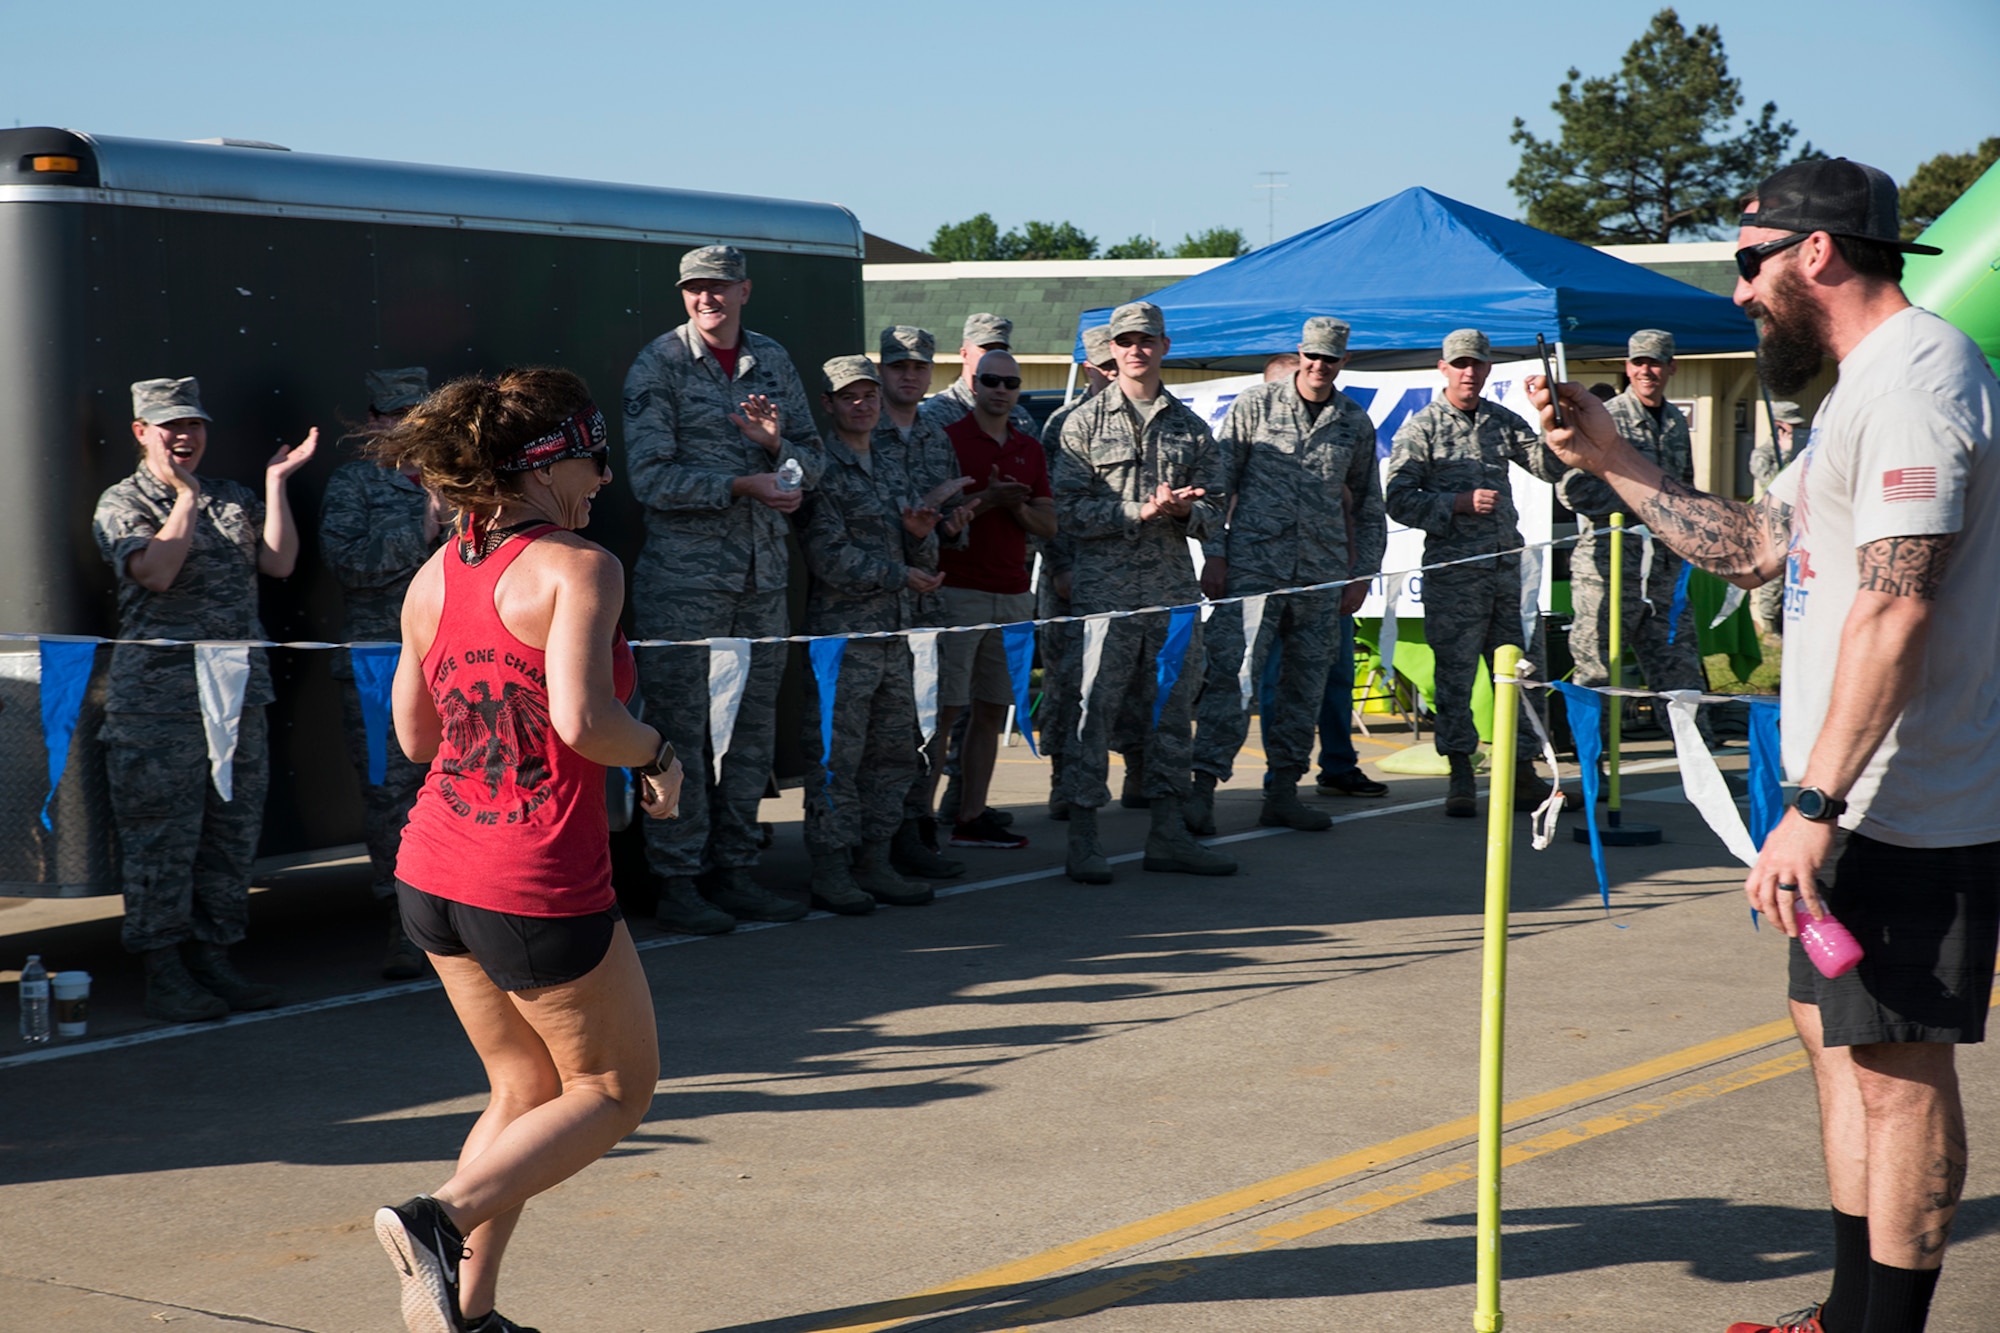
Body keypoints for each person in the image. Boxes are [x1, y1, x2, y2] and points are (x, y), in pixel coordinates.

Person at [1529, 157, 1995, 1333]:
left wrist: (1814, 804)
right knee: (1835, 1051)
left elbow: (1899, 603)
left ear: (1816, 254)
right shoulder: (1855, 390)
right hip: (1846, 795)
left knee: (1893, 1076)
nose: (1736, 293)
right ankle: (1844, 1317)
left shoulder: (1919, 380)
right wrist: (1615, 459)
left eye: (1748, 263)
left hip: (1904, 799)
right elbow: (1758, 546)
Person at [371, 368, 681, 1333]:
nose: (604, 482)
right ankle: (438, 1218)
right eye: (595, 459)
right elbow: (590, 720)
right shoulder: (580, 567)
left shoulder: (434, 578)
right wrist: (660, 753)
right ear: (549, 463)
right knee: (614, 1089)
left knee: (524, 1087)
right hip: (531, 873)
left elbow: (415, 739)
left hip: (432, 866)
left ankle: (460, 1313)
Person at [92, 377, 315, 1023]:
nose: (185, 436)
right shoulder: (124, 501)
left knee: (229, 832)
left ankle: (214, 958)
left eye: (194, 425)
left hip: (237, 695)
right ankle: (165, 970)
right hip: (158, 703)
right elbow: (156, 572)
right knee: (162, 839)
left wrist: (275, 485)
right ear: (141, 432)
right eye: (170, 426)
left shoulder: (233, 497)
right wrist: (184, 499)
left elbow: (278, 563)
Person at [623, 244, 824, 935]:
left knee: (749, 736)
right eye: (694, 289)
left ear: (745, 290)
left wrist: (776, 456)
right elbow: (649, 479)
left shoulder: (770, 359)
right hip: (686, 588)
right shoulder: (660, 365)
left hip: (760, 585)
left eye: (718, 287)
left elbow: (812, 463)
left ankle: (736, 871)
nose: (706, 298)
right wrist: (740, 484)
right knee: (680, 736)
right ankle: (678, 879)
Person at [1053, 301, 1235, 883]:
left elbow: (1217, 507)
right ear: (1112, 349)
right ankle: (1083, 838)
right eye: (1126, 341)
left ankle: (1168, 834)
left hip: (1169, 591)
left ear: (1164, 345)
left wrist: (1185, 513)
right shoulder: (1080, 424)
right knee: (1093, 716)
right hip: (1104, 595)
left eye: (1146, 340)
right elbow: (1068, 512)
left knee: (1171, 714)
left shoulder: (1189, 426)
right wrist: (1141, 508)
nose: (1136, 350)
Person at [1189, 317, 1386, 834]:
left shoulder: (1353, 421)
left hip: (1320, 577)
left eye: (1331, 358)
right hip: (1254, 568)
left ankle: (1283, 791)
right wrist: (1215, 553)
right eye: (1313, 356)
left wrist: (1362, 573)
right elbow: (1217, 484)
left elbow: (1368, 506)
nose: (1320, 367)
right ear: (1300, 354)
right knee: (1234, 679)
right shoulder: (1256, 405)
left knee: (1305, 687)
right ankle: (1201, 790)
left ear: (1345, 361)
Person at [798, 355, 970, 913]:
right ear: (828, 404)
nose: (863, 404)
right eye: (850, 396)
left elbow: (914, 541)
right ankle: (831, 866)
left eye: (870, 395)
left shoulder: (894, 461)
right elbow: (827, 555)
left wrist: (921, 537)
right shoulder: (819, 466)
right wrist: (901, 572)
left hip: (897, 635)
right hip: (844, 638)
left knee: (894, 754)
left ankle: (875, 859)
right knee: (835, 758)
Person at [1384, 329, 1575, 820]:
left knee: (1519, 674)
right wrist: (1456, 504)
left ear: (1488, 369)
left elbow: (1550, 467)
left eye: (1478, 364)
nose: (1470, 372)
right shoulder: (1421, 427)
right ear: (1444, 368)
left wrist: (1551, 418)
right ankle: (1461, 774)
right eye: (1461, 363)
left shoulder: (1498, 420)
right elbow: (1398, 498)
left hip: (1505, 573)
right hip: (1455, 576)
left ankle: (1522, 774)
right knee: (1455, 677)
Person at [321, 366, 448, 979]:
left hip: (455, 660)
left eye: (414, 413)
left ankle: (463, 915)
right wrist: (422, 525)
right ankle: (404, 923)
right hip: (381, 664)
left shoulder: (455, 479)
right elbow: (348, 563)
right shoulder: (352, 485)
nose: (405, 425)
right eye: (392, 414)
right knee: (390, 798)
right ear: (373, 421)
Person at [1556, 330, 1712, 743]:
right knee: (1596, 673)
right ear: (1627, 367)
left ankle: (1698, 764)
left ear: (1672, 367)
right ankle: (1593, 771)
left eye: (1655, 362)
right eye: (1639, 362)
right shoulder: (1605, 418)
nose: (1647, 371)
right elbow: (1572, 490)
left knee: (1678, 668)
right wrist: (1641, 500)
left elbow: (1684, 488)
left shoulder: (1676, 422)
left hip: (1662, 574)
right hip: (1609, 573)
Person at [928, 350, 1056, 850]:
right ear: (973, 383)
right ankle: (917, 819)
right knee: (943, 712)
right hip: (959, 592)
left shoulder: (1029, 446)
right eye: (991, 380)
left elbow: (1049, 525)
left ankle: (971, 814)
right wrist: (986, 501)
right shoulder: (950, 440)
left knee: (990, 710)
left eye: (1010, 382)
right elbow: (931, 519)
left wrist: (1015, 505)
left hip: (1013, 594)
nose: (1001, 389)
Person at [875, 325, 975, 880]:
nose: (909, 376)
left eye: (918, 368)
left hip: (926, 603)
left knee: (924, 722)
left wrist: (955, 526)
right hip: (878, 600)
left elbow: (944, 526)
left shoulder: (936, 435)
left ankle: (915, 832)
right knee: (878, 735)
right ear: (882, 370)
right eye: (898, 367)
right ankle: (880, 841)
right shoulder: (864, 427)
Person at [1037, 324, 1140, 820]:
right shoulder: (1066, 423)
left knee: (1140, 678)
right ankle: (1064, 780)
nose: (1113, 373)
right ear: (1089, 369)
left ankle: (1140, 772)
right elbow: (1048, 504)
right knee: (1067, 684)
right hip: (1071, 577)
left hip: (1131, 574)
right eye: (1105, 366)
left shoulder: (1147, 416)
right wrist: (1059, 567)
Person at [918, 312, 1042, 440]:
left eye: (1000, 350)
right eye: (987, 349)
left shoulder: (1019, 418)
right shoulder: (937, 413)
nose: (994, 356)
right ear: (964, 354)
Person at [1751, 398, 1811, 634]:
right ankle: (1769, 625)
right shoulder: (1762, 454)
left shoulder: (1804, 450)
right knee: (1774, 575)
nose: (1794, 431)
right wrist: (1785, 456)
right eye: (1790, 426)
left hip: (1799, 520)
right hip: (1774, 521)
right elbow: (1771, 482)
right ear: (1778, 426)